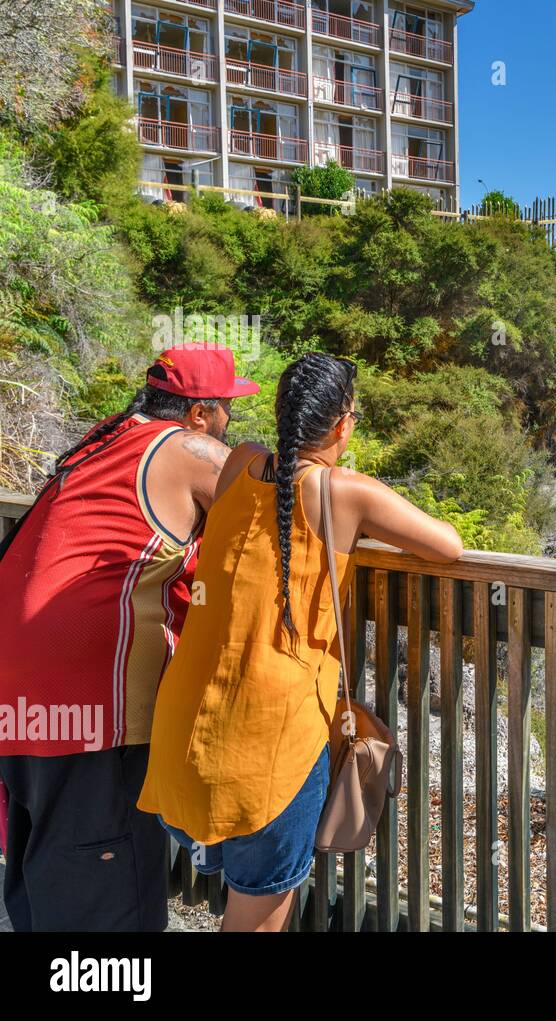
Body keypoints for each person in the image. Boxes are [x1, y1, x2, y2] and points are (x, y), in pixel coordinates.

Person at [137, 353, 463, 932]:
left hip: (185, 726)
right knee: (259, 915)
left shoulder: (239, 462)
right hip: (271, 743)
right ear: (343, 424)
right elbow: (449, 546)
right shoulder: (346, 493)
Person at [0, 345, 260, 931]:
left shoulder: (103, 440)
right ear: (198, 414)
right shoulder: (186, 449)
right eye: (224, 409)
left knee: (49, 859)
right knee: (108, 890)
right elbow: (283, 509)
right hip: (89, 702)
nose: (228, 422)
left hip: (21, 690)